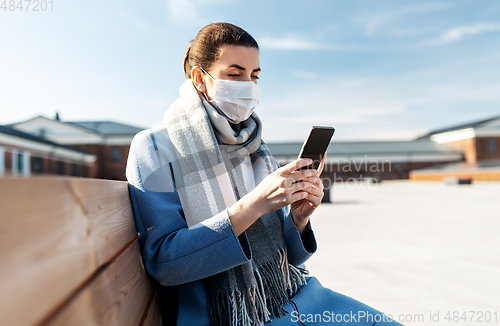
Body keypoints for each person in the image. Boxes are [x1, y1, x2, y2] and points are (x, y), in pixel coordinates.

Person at [126, 22, 403, 326]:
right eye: (234, 74)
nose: (247, 85)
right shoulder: (153, 147)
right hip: (225, 312)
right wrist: (254, 204)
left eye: (254, 76)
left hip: (287, 294)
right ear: (199, 79)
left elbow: (289, 260)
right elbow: (165, 263)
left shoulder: (253, 144)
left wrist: (298, 218)